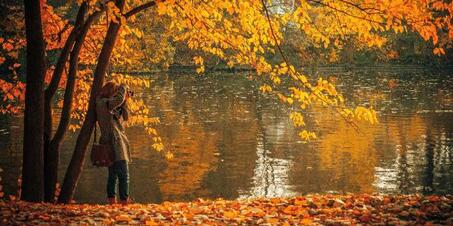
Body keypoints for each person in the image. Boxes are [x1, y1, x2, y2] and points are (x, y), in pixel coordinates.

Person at [95, 81, 132, 205]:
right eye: (116, 92)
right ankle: (124, 202)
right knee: (123, 174)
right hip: (112, 143)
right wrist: (124, 87)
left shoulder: (112, 107)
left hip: (118, 143)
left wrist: (125, 102)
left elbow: (126, 117)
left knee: (114, 174)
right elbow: (118, 99)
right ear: (111, 92)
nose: (118, 96)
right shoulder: (102, 103)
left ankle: (113, 202)